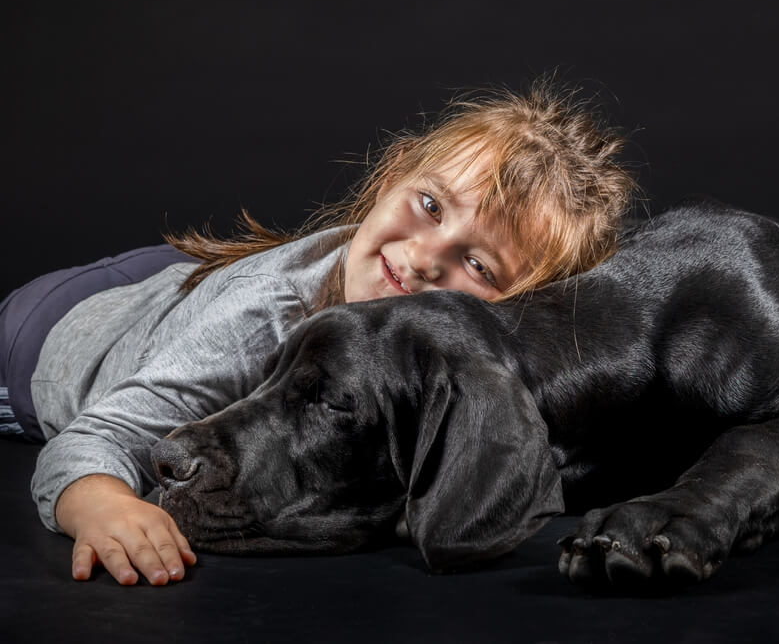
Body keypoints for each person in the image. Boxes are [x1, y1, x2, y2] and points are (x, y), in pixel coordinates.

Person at [0, 78, 636, 587]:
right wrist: (101, 505)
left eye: (477, 264)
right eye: (431, 206)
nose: (421, 258)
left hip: (191, 284)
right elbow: (96, 436)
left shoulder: (440, 350)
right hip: (57, 331)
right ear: (391, 176)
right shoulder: (264, 320)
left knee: (201, 280)